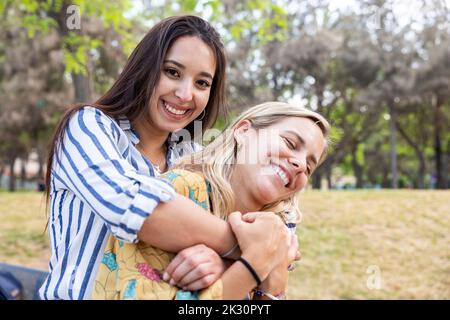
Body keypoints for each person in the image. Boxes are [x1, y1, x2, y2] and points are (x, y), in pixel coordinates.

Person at [39, 15, 290, 300]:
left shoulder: (196, 158)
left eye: (202, 83)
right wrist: (254, 247)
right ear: (145, 68)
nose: (185, 94)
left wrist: (226, 260)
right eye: (172, 72)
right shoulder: (88, 127)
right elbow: (138, 211)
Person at [93, 102, 330, 299]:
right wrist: (253, 266)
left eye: (309, 167)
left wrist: (268, 280)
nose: (300, 164)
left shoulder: (273, 234)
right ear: (244, 132)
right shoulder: (179, 191)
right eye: (290, 143)